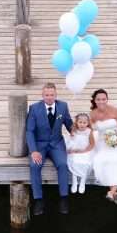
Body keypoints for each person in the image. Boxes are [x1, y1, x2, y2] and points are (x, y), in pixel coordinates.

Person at [26, 83, 74, 215]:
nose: (49, 97)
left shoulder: (63, 106)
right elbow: (29, 131)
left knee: (63, 164)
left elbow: (69, 124)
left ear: (56, 95)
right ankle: (38, 200)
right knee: (35, 165)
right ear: (42, 95)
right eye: (46, 95)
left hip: (56, 143)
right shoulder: (34, 109)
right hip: (39, 144)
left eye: (52, 95)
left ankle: (64, 198)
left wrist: (78, 134)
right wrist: (34, 151)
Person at [66, 113, 95, 194]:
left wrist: (83, 151)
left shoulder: (89, 131)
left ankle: (82, 181)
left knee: (85, 162)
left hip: (86, 150)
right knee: (74, 160)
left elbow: (92, 144)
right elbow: (71, 141)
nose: (82, 124)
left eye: (84, 123)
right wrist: (71, 149)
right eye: (80, 122)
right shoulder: (74, 130)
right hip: (75, 150)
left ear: (88, 123)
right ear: (76, 122)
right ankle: (74, 181)